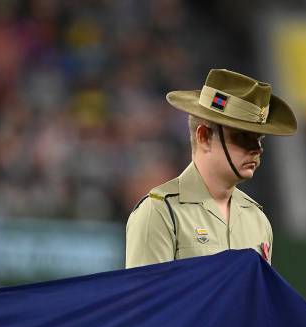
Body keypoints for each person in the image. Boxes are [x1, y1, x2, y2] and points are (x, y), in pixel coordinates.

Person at [125, 68, 297, 268]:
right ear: (204, 137)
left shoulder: (257, 219)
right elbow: (149, 298)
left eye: (259, 138)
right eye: (242, 137)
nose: (256, 149)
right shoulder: (160, 212)